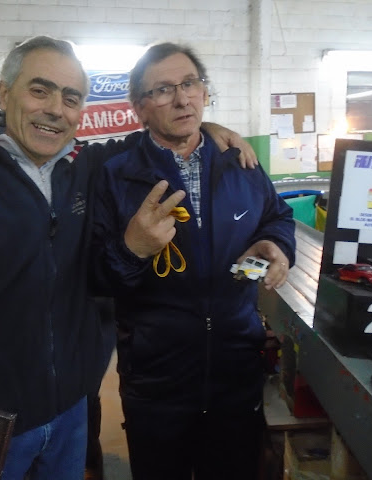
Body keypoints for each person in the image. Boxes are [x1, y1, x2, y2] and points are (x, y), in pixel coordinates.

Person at [0, 36, 258, 480]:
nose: (56, 109)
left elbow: (159, 134)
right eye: (40, 90)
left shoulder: (86, 167)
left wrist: (208, 128)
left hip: (72, 413)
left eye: (71, 98)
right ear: (5, 94)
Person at [90, 42, 296, 480]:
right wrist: (132, 249)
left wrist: (275, 243)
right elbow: (97, 277)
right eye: (163, 89)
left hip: (236, 371)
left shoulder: (241, 162)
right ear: (140, 108)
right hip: (156, 380)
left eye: (190, 83)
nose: (182, 98)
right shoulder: (115, 174)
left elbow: (277, 216)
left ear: (204, 91)